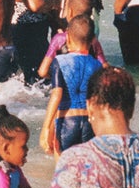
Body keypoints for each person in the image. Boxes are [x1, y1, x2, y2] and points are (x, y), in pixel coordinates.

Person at [44, 16, 103, 156]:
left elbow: (57, 95)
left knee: (64, 169)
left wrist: (46, 128)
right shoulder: (98, 65)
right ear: (92, 41)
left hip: (67, 122)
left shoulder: (60, 61)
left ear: (68, 38)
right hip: (89, 123)